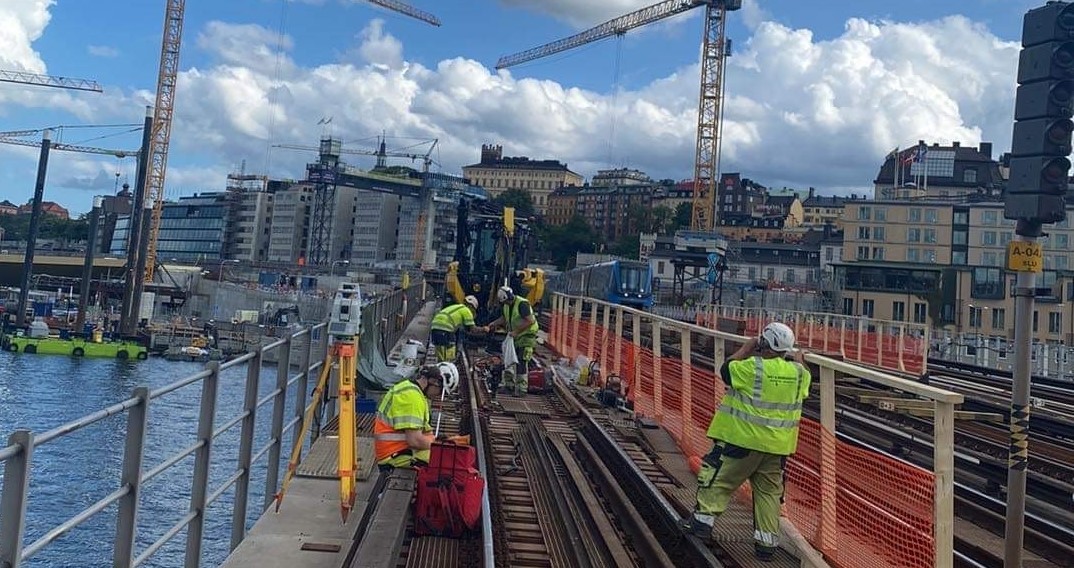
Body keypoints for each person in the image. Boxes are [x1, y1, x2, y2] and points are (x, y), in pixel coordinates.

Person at [684, 322, 812, 562]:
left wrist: (746, 347)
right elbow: (805, 379)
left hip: (741, 443)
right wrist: (799, 358)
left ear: (764, 344)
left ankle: (701, 525)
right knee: (768, 494)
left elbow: (726, 370)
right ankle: (766, 546)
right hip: (777, 449)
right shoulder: (799, 374)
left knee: (718, 481)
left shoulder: (753, 367)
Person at [374, 365, 444, 470]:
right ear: (434, 381)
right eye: (441, 391)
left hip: (396, 451)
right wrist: (439, 445)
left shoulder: (411, 390)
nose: (438, 395)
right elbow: (415, 441)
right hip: (393, 456)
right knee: (442, 460)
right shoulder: (412, 397)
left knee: (442, 456)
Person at [479, 285, 539, 397]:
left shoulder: (522, 304)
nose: (507, 303)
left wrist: (516, 331)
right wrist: (494, 323)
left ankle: (521, 389)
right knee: (508, 359)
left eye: (508, 301)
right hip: (515, 336)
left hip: (526, 336)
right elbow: (504, 318)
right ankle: (509, 385)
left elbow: (530, 321)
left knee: (521, 361)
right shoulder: (506, 305)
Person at [430, 296, 479, 363]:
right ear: (471, 306)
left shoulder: (456, 307)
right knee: (450, 350)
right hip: (445, 328)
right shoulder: (466, 310)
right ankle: (450, 364)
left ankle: (441, 367)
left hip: (435, 327)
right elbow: (473, 329)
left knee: (441, 354)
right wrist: (484, 329)